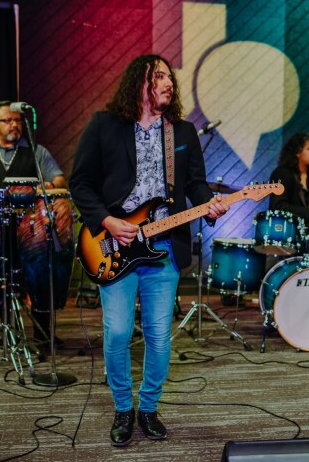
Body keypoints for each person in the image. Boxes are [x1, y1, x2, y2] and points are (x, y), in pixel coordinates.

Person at [69, 54, 229, 447]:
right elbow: (80, 183)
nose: (167, 82)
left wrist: (210, 206)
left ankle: (149, 408)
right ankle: (123, 408)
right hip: (114, 245)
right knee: (119, 331)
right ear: (138, 83)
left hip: (163, 248)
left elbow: (196, 185)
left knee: (160, 335)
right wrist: (106, 222)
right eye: (158, 76)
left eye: (169, 76)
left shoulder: (183, 132)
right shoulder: (104, 125)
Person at [0, 100, 68, 347]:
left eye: (17, 120)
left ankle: (43, 334)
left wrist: (50, 184)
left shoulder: (37, 152)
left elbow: (60, 179)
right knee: (0, 279)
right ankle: (10, 331)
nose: (14, 125)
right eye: (8, 120)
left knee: (40, 274)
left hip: (32, 229)